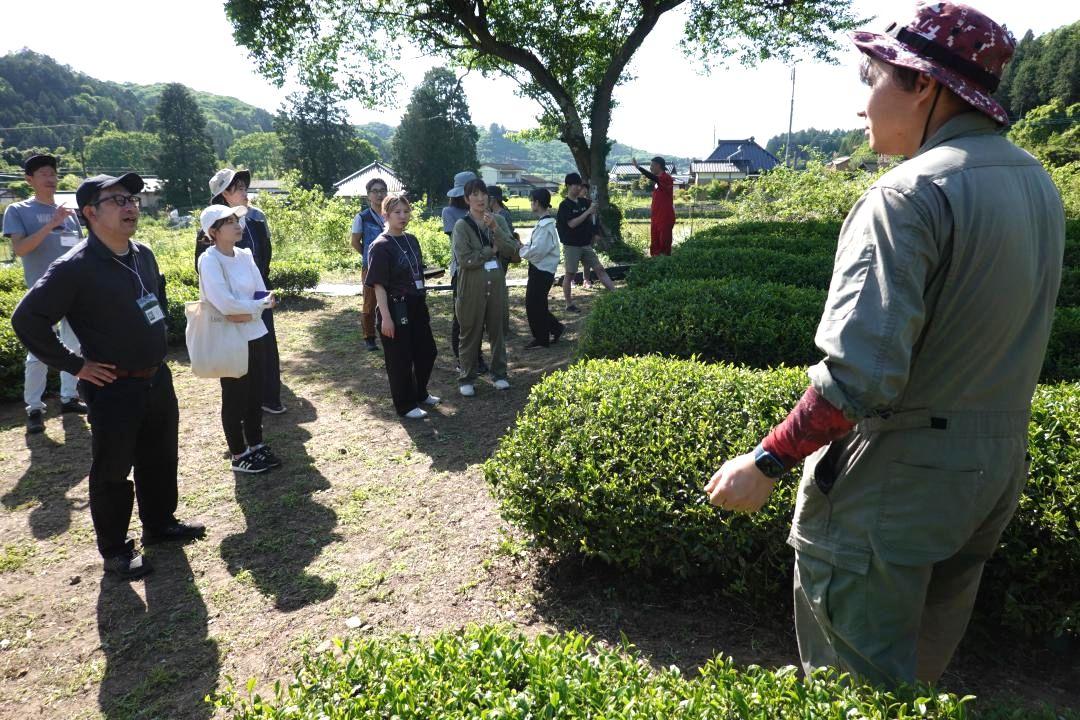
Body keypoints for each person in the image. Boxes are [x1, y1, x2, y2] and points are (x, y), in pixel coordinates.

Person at [704, 2, 1065, 688]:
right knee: (918, 683)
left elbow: (857, 379)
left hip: (896, 483)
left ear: (922, 84)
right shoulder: (1033, 180)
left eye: (870, 77)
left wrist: (764, 461)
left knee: (856, 690)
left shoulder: (906, 194)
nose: (861, 105)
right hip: (990, 472)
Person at [12, 173, 207, 580]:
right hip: (112, 386)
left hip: (156, 378)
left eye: (132, 198)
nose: (130, 205)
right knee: (113, 471)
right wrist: (75, 364)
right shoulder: (75, 267)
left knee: (159, 457)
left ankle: (159, 523)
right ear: (90, 212)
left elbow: (156, 296)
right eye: (117, 199)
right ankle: (116, 550)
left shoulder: (144, 254)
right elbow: (27, 319)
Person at [2, 154, 87, 433]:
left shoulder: (69, 213)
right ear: (30, 180)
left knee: (73, 346)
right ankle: (34, 407)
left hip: (74, 292)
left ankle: (69, 397)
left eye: (53, 173)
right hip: (41, 293)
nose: (50, 178)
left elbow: (78, 250)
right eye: (43, 174)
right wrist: (51, 224)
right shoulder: (18, 210)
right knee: (37, 353)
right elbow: (21, 249)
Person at [198, 204, 282, 473]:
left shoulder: (244, 255)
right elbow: (225, 304)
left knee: (255, 392)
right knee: (235, 396)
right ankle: (238, 453)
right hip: (229, 338)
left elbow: (262, 294)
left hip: (255, 332)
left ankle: (256, 444)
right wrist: (253, 308)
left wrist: (250, 309)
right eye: (229, 221)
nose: (238, 225)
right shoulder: (209, 260)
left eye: (237, 219)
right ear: (213, 231)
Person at [197, 168, 286, 415]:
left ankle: (269, 396)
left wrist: (259, 297)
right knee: (237, 355)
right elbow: (206, 275)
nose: (246, 192)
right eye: (239, 189)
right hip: (232, 308)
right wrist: (242, 303)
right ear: (225, 194)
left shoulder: (256, 221)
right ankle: (244, 404)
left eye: (246, 187)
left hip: (258, 297)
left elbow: (264, 258)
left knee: (266, 345)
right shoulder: (207, 235)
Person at [366, 194, 439, 418]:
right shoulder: (380, 246)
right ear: (385, 215)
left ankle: (420, 392)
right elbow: (378, 286)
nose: (403, 216)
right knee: (400, 359)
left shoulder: (412, 239)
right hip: (395, 308)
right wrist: (386, 318)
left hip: (416, 304)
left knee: (427, 351)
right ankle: (405, 405)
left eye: (406, 212)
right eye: (397, 212)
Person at [452, 178, 520, 397]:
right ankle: (467, 377)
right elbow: (465, 260)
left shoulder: (498, 219)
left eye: (484, 194)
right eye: (475, 195)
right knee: (470, 332)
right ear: (466, 199)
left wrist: (495, 230)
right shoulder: (462, 225)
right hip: (471, 286)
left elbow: (511, 251)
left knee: (498, 329)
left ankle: (499, 374)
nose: (480, 199)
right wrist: (490, 252)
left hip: (497, 282)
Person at [443, 170, 486, 373]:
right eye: (472, 193)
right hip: (461, 271)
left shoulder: (484, 212)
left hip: (483, 269)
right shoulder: (449, 213)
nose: (477, 197)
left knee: (481, 316)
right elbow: (460, 243)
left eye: (479, 193)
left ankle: (478, 357)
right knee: (461, 317)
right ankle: (462, 358)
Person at [556, 173, 614, 312]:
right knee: (570, 274)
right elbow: (572, 224)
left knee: (599, 268)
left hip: (585, 244)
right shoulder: (564, 205)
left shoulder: (583, 202)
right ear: (569, 186)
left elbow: (592, 217)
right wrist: (588, 211)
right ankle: (569, 304)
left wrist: (593, 212)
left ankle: (615, 294)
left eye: (580, 185)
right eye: (576, 185)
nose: (579, 188)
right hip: (571, 245)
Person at [519, 188, 564, 348]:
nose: (531, 204)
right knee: (537, 304)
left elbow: (538, 251)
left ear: (537, 203)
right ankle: (555, 328)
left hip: (542, 270)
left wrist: (521, 250)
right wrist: (525, 248)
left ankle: (542, 338)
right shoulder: (544, 224)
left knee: (534, 305)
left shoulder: (545, 226)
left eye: (532, 201)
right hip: (542, 269)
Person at [350, 177, 388, 351]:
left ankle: (388, 332)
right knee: (370, 303)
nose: (379, 194)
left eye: (382, 190)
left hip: (391, 266)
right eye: (375, 191)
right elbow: (356, 242)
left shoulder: (392, 213)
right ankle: (369, 337)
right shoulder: (362, 217)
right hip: (370, 266)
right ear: (368, 196)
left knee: (392, 300)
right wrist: (368, 255)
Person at [631, 155, 676, 256]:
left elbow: (652, 177)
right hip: (656, 217)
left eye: (652, 165)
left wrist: (638, 167)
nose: (650, 168)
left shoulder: (666, 178)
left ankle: (664, 265)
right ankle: (654, 263)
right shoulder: (658, 182)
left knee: (664, 243)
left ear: (658, 166)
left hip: (665, 217)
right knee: (655, 242)